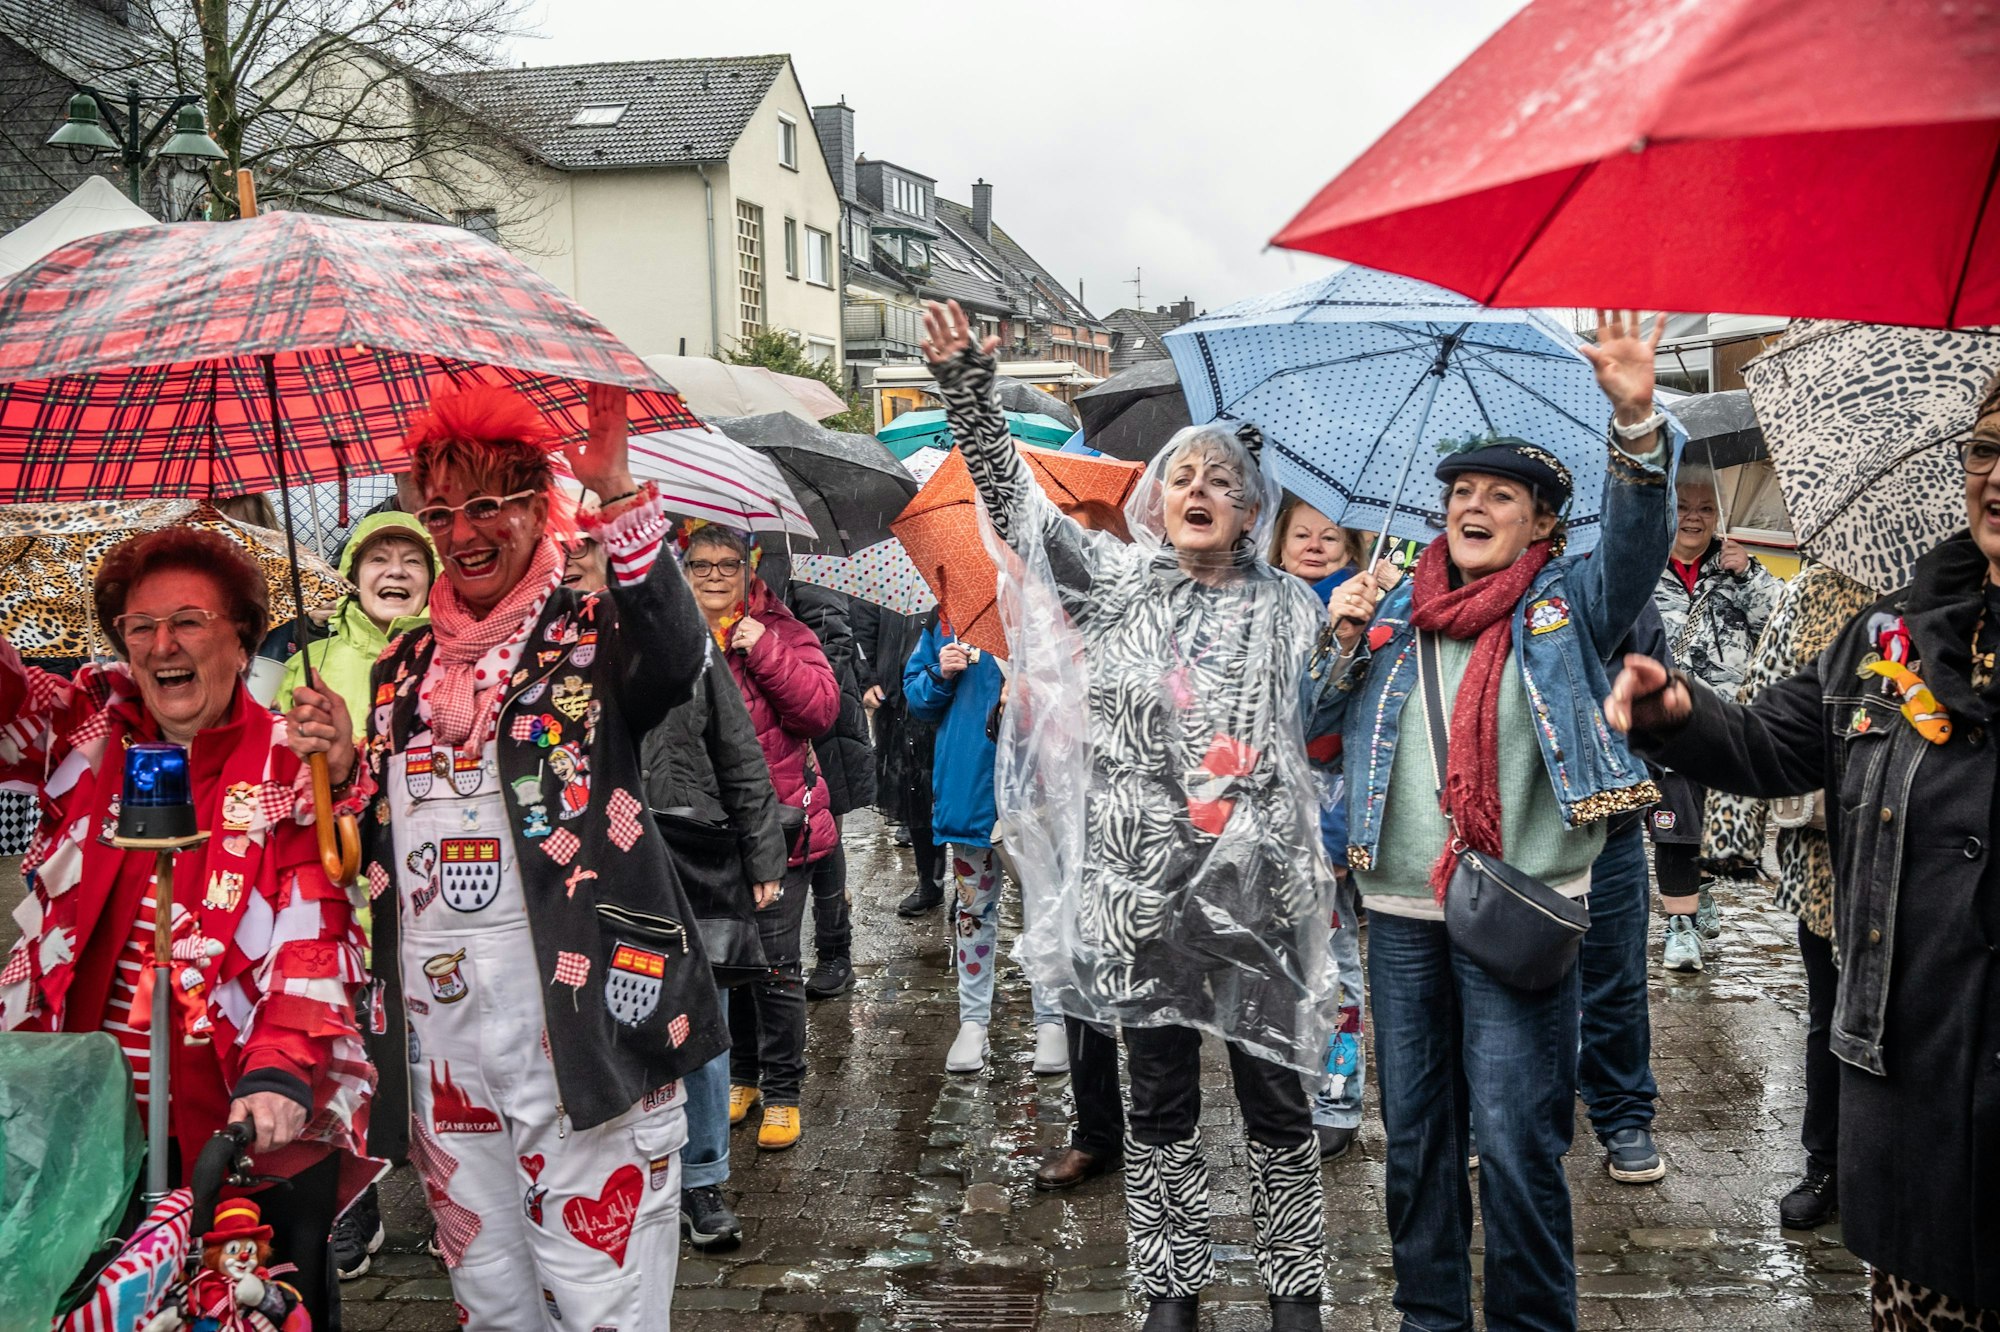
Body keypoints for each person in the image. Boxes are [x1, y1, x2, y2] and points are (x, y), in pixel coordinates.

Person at [925, 298, 1339, 1332]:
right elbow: (1019, 513)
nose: (1200, 491)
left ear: (1253, 510)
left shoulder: (1290, 606)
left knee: (1276, 1103)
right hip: (1141, 900)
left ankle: (1293, 1290)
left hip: (1258, 899)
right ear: (1159, 498)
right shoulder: (1112, 584)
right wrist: (969, 393)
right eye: (1184, 477)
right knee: (1158, 1109)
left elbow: (1325, 731)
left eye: (1223, 482)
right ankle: (1169, 1289)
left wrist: (1353, 636)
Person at [288, 384, 726, 1331]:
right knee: (488, 1297)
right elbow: (369, 842)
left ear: (536, 507)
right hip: (441, 1035)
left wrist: (619, 492)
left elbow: (676, 653)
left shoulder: (588, 635)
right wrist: (343, 768)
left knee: (600, 1298)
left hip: (581, 1020)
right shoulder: (403, 669)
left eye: (487, 505)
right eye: (441, 513)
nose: (463, 533)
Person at [1606, 373, 2000, 1332]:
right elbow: (1772, 744)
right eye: (1986, 450)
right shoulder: (1889, 635)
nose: (1996, 476)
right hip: (1918, 1091)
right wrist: (1677, 710)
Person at [1319, 311, 1672, 1332]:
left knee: (1517, 1142)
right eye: (1460, 492)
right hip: (1400, 911)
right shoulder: (1391, 612)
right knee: (1417, 1137)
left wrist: (1636, 425)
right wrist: (1339, 639)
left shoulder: (1567, 608)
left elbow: (1636, 546)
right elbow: (1313, 730)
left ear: (1542, 525)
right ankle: (1429, 1317)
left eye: (1500, 496)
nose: (1472, 507)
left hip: (1519, 906)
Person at [0, 527, 374, 1331]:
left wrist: (277, 1071)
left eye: (189, 621)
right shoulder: (87, 733)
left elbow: (312, 938)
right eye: (140, 626)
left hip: (235, 1132)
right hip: (83, 1135)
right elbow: (7, 702)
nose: (162, 645)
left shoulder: (289, 761)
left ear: (242, 639)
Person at [561, 535, 788, 1254]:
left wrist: (763, 852)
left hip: (687, 854)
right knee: (602, 1017)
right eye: (561, 547)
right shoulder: (543, 651)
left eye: (587, 547)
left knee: (701, 1017)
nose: (573, 559)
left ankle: (703, 1178)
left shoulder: (682, 640)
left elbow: (739, 750)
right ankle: (619, 1169)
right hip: (589, 866)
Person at [272, 509, 435, 1281]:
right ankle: (354, 1213)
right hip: (337, 892)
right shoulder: (311, 662)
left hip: (431, 893)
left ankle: (455, 1204)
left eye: (411, 559)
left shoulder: (451, 655)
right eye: (378, 558)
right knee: (347, 1061)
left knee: (436, 1059)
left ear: (433, 578)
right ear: (351, 576)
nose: (394, 571)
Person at [1696, 560, 1875, 1229]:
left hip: (1938, 866)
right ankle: (1826, 1164)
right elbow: (1762, 704)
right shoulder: (1820, 590)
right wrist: (1732, 834)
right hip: (1831, 862)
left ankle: (1907, 1174)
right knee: (1831, 1017)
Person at [682, 525, 839, 1153]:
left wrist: (766, 649)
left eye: (728, 565)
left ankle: (783, 1092)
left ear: (750, 570)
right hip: (705, 832)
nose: (715, 576)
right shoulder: (676, 636)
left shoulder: (782, 630)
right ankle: (742, 1076)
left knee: (774, 967)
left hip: (779, 827)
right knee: (727, 961)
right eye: (701, 565)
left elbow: (820, 711)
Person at [904, 621, 1069, 1076]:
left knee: (1046, 907)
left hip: (1039, 791)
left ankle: (1051, 1017)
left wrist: (1032, 693)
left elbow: (1088, 696)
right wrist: (940, 673)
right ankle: (973, 1019)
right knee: (973, 911)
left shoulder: (1050, 616)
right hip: (970, 788)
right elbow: (917, 700)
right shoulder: (948, 621)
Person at [1271, 497, 1376, 1163]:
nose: (1313, 545)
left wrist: (1343, 636)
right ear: (1279, 546)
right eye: (1301, 535)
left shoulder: (1362, 616)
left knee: (1335, 968)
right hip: (1266, 819)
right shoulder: (1263, 607)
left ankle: (1338, 1096)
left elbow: (1336, 737)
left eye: (1329, 538)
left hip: (1326, 819)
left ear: (1352, 551)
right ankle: (1290, 1091)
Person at [1648, 470, 1781, 970]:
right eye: (1683, 506)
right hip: (1665, 724)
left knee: (1710, 830)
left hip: (1725, 722)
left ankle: (1700, 892)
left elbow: (1780, 623)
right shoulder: (1644, 567)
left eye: (1706, 508)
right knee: (1675, 826)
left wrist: (1748, 574)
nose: (1694, 518)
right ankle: (1679, 929)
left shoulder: (1737, 568)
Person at [1577, 604, 1671, 1186]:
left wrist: (1632, 767)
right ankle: (1485, 1113)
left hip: (1608, 826)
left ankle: (1623, 1113)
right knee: (1494, 974)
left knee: (1614, 975)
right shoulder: (1481, 580)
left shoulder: (1622, 591)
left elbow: (1656, 697)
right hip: (1505, 828)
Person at [782, 577, 873, 1001]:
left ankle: (835, 951)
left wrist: (795, 695)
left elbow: (834, 641)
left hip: (816, 723)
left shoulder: (804, 560)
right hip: (762, 724)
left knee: (822, 835)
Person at [854, 600, 945, 916]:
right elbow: (864, 622)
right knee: (913, 794)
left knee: (951, 797)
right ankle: (929, 881)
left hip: (947, 697)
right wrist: (868, 678)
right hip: (897, 700)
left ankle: (966, 887)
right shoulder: (892, 578)